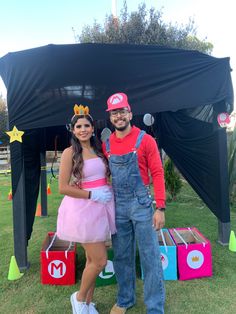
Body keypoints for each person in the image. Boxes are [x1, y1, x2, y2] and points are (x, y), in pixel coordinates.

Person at [102, 93, 166, 314]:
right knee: (121, 256)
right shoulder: (106, 144)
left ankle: (155, 307)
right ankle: (125, 299)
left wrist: (160, 207)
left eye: (122, 111)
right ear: (110, 117)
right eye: (114, 112)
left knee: (149, 257)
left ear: (129, 113)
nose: (119, 116)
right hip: (118, 206)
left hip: (142, 205)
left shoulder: (145, 139)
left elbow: (157, 173)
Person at [56, 104, 116, 314]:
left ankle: (88, 305)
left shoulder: (98, 149)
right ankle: (79, 298)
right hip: (83, 209)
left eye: (86, 125)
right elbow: (63, 187)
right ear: (73, 130)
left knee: (92, 260)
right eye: (78, 126)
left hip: (102, 207)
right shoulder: (69, 152)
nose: (83, 129)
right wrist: (92, 194)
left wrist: (105, 190)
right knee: (100, 260)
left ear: (92, 128)